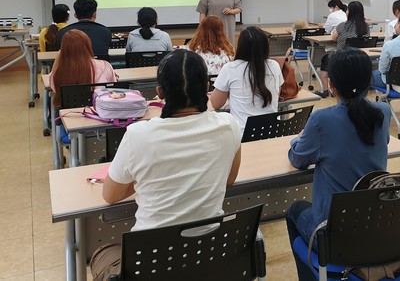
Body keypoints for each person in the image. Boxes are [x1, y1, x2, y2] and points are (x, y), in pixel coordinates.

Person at [89, 49, 242, 281]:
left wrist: (145, 179)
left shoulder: (138, 135)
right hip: (208, 256)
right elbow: (228, 180)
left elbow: (110, 195)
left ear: (159, 92)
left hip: (152, 262)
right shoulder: (229, 125)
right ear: (206, 88)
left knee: (102, 253)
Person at [286, 48, 391, 281]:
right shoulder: (383, 111)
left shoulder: (321, 120)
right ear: (368, 81)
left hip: (334, 234)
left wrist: (297, 140)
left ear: (330, 83)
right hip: (375, 224)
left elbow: (297, 159)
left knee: (294, 211)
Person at [210, 26, 283, 129]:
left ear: (240, 46)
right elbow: (277, 94)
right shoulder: (274, 66)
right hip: (272, 131)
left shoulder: (230, 68)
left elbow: (216, 104)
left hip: (243, 133)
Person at [48, 29, 116, 108]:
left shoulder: (57, 75)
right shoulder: (105, 66)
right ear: (88, 46)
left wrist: (59, 56)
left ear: (63, 50)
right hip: (99, 112)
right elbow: (113, 89)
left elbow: (54, 87)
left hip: (69, 114)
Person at [318, 1, 369, 98]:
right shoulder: (365, 27)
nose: (346, 11)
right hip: (359, 58)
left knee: (325, 59)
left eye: (348, 10)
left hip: (342, 59)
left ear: (350, 12)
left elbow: (334, 38)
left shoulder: (343, 25)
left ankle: (325, 89)